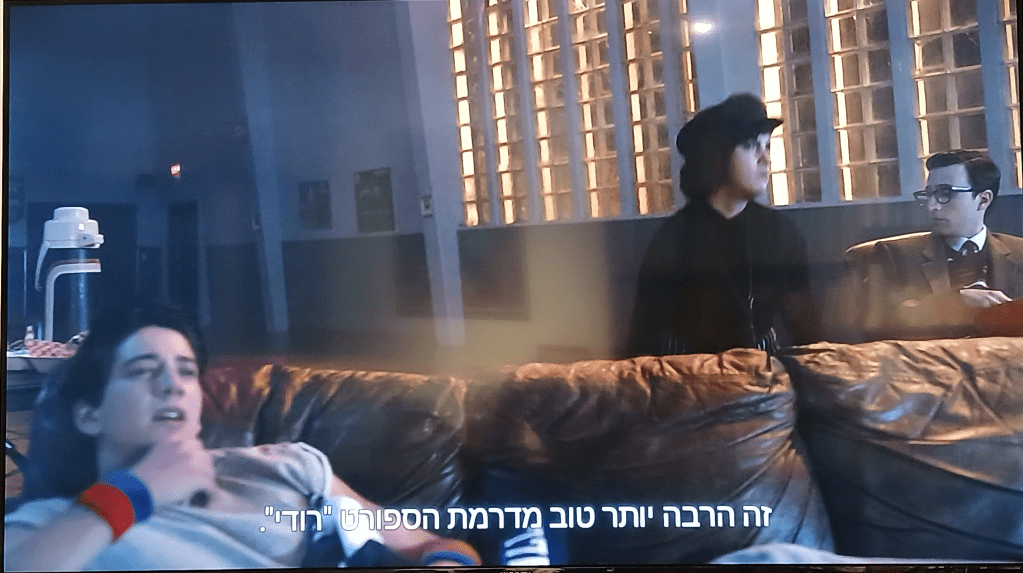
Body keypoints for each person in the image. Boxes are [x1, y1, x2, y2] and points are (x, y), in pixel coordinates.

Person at [4, 304, 480, 570]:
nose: (172, 385)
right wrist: (135, 492)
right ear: (90, 415)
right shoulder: (55, 526)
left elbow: (436, 546)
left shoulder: (289, 465)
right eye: (143, 370)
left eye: (186, 371)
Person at [623, 93, 819, 357]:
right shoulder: (673, 240)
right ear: (719, 155)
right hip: (689, 373)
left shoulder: (781, 234)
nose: (765, 158)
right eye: (750, 145)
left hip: (760, 372)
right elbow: (642, 341)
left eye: (767, 146)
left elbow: (807, 329)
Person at [845, 150, 1023, 340]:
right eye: (929, 194)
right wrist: (956, 301)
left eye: (945, 193)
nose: (932, 206)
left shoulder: (1019, 253)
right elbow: (874, 324)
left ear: (983, 200)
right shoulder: (894, 256)